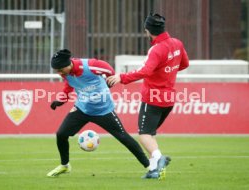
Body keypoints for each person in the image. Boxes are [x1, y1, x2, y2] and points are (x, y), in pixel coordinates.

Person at [47, 49, 156, 178]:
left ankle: (150, 167)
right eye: (57, 71)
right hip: (82, 109)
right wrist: (61, 100)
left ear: (68, 64)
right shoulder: (65, 73)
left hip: (103, 110)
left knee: (123, 137)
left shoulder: (90, 65)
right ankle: (65, 166)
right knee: (61, 134)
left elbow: (109, 70)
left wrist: (110, 81)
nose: (59, 73)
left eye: (60, 70)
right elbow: (69, 85)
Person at [107, 13, 189, 179]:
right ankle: (154, 170)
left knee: (143, 134)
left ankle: (159, 159)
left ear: (147, 30)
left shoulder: (156, 49)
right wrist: (167, 73)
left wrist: (121, 77)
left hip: (153, 98)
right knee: (150, 135)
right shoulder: (177, 43)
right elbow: (184, 64)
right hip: (169, 99)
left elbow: (145, 71)